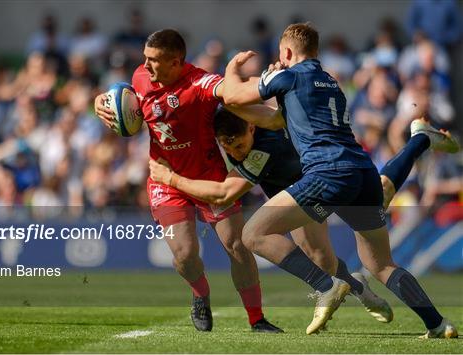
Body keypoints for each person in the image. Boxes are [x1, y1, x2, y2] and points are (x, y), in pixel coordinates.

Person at [220, 22, 459, 338]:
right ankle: (438, 324)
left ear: (287, 52)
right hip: (361, 171)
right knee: (381, 264)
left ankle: (326, 285)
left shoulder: (288, 75)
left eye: (281, 55)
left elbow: (233, 96)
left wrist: (231, 68)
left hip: (328, 172)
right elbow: (276, 119)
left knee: (253, 234)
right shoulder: (330, 81)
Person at [149, 106, 459, 333]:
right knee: (325, 255)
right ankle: (357, 287)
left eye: (238, 143)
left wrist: (170, 178)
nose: (234, 151)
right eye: (226, 145)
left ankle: (336, 287)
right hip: (313, 185)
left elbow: (223, 194)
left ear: (252, 129)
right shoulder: (248, 123)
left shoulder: (262, 146)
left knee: (381, 197)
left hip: (317, 183)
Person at [94, 29, 281, 333]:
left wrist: (268, 81)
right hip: (164, 179)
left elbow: (231, 91)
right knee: (184, 254)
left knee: (236, 245)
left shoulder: (200, 84)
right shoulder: (141, 77)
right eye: (145, 58)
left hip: (208, 177)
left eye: (153, 60)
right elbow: (115, 98)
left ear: (176, 62)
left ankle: (256, 318)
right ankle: (200, 296)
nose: (145, 64)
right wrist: (98, 104)